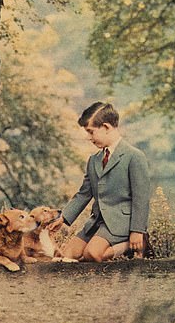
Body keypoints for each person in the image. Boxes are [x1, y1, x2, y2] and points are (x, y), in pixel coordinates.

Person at [48, 102, 150, 262]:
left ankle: (130, 246)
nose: (89, 137)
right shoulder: (94, 160)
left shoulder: (134, 156)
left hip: (121, 222)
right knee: (67, 256)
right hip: (97, 221)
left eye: (91, 132)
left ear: (106, 127)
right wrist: (63, 218)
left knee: (92, 254)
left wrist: (137, 231)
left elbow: (141, 198)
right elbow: (83, 194)